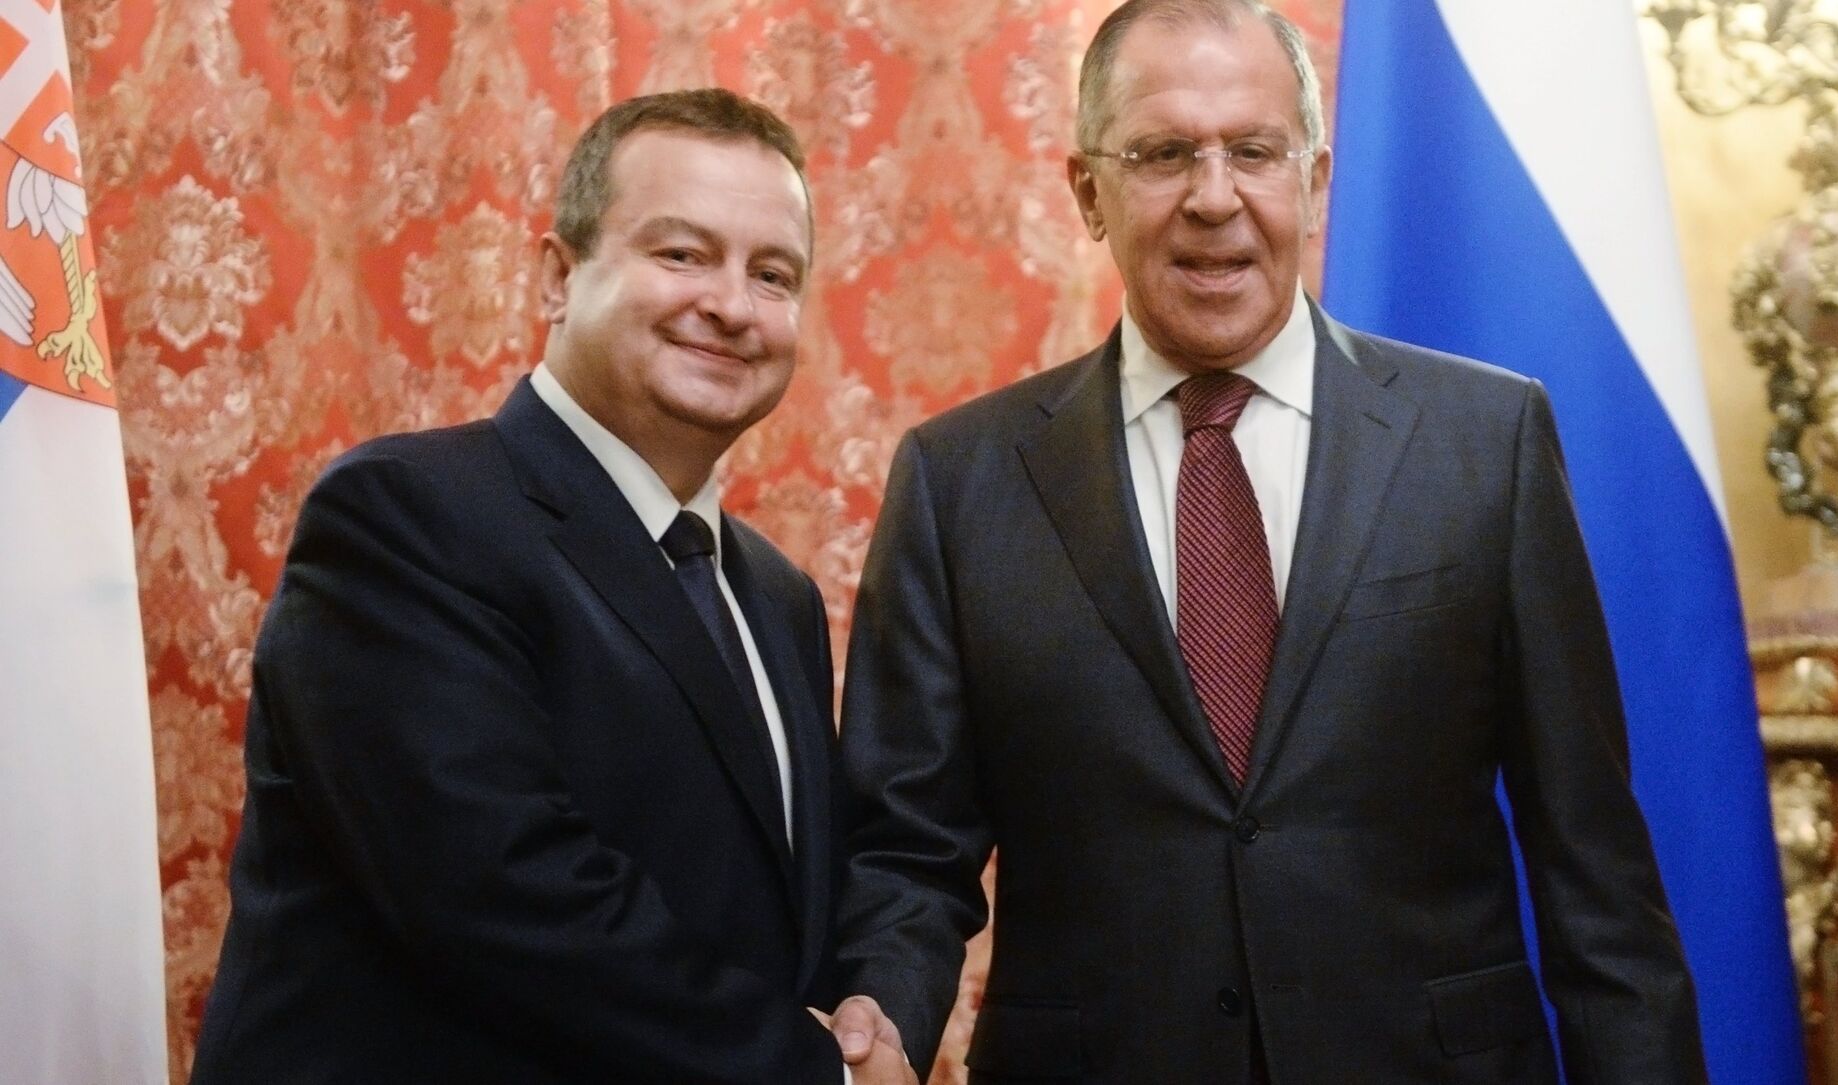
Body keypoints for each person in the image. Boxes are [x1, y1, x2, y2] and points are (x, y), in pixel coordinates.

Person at [830, 2, 1710, 1082]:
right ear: (1088, 193)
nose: (1214, 197)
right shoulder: (959, 479)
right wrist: (877, 1020)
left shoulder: (1487, 441)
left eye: (1254, 151)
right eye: (1162, 154)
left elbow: (1594, 868)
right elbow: (907, 854)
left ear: (1316, 179)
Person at [191, 88, 911, 1084]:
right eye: (682, 254)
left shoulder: (775, 597)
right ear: (557, 277)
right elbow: (496, 891)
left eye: (772, 273)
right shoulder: (407, 515)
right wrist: (814, 1070)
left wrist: (869, 1019)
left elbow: (779, 914)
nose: (731, 305)